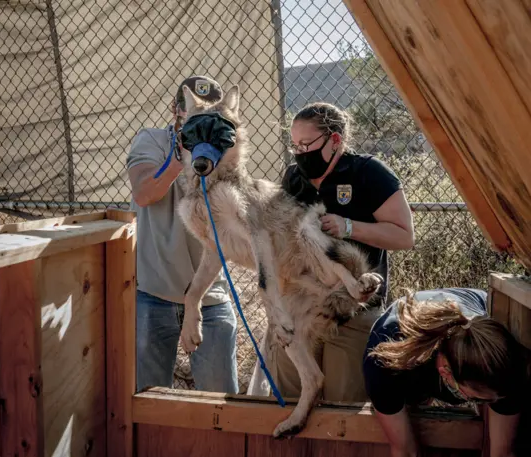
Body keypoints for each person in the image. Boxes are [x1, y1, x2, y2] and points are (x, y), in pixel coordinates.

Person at [249, 101, 414, 401]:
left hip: (352, 311)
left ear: (335, 140)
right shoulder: (293, 178)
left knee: (343, 409)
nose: (300, 153)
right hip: (300, 309)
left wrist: (349, 227)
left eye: (307, 144)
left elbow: (404, 236)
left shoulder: (369, 173)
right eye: (295, 146)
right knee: (288, 401)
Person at [126, 75, 239, 394]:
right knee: (148, 397)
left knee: (220, 400)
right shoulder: (151, 140)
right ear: (175, 111)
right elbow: (144, 194)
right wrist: (178, 160)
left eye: (212, 119)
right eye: (192, 117)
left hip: (210, 296)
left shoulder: (225, 148)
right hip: (154, 293)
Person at [364, 288, 530, 457]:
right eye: (476, 398)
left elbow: (502, 453)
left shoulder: (504, 365)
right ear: (446, 372)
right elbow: (405, 451)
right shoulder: (383, 366)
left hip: (474, 326)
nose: (492, 403)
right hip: (402, 358)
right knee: (414, 409)